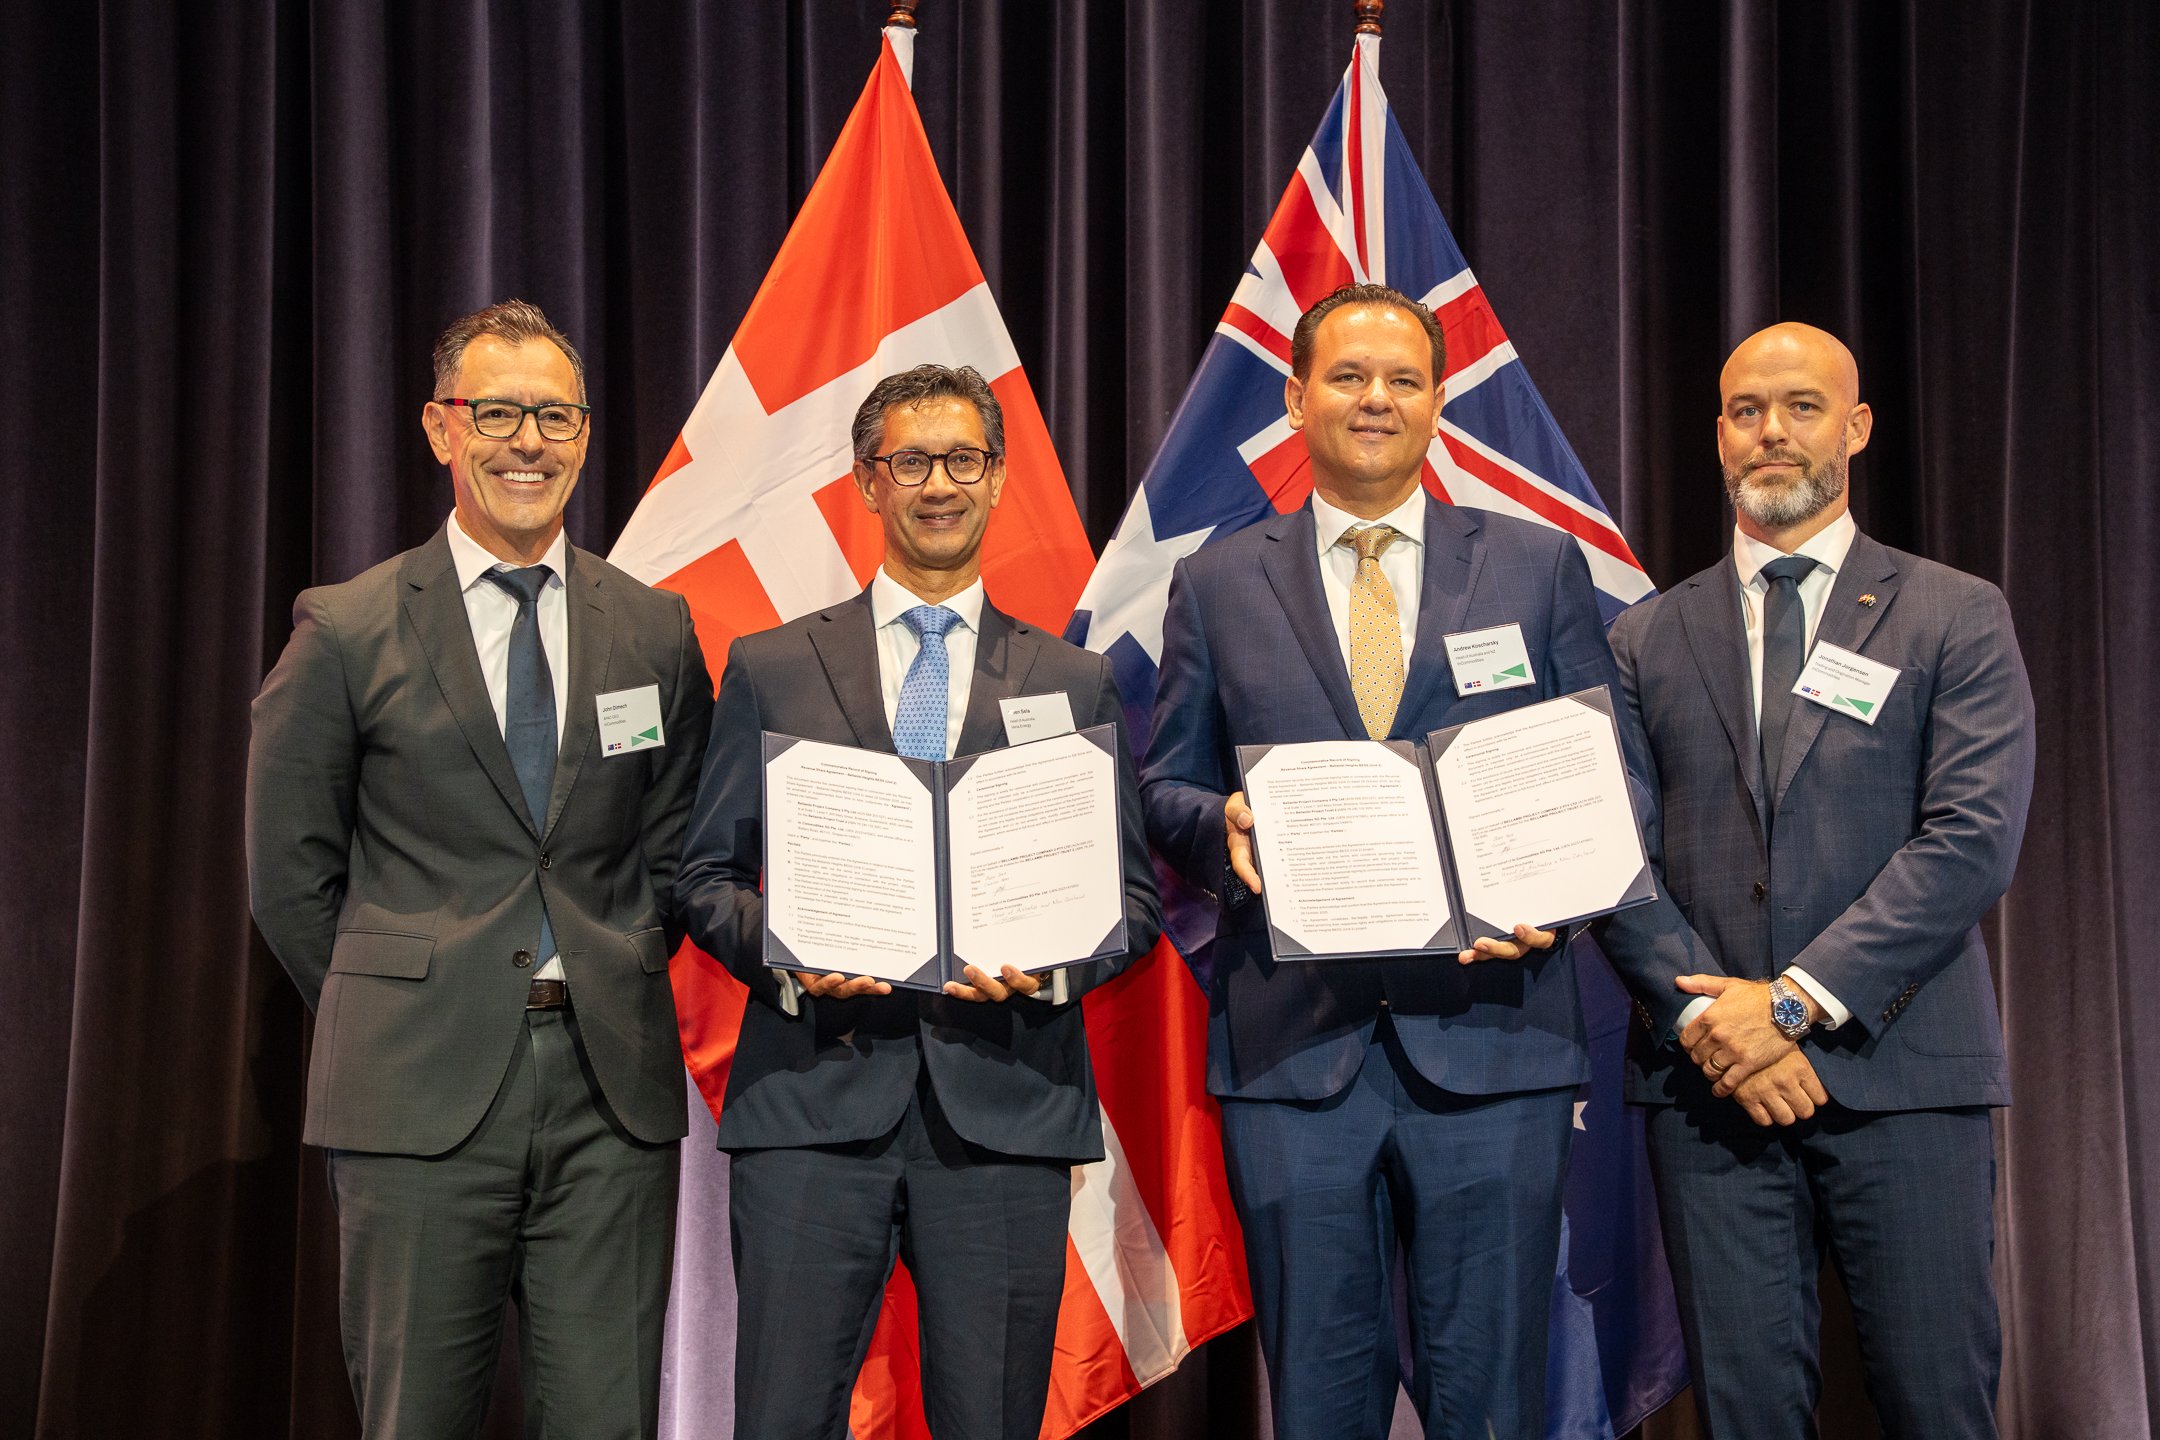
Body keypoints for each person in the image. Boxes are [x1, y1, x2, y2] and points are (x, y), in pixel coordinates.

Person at [1141, 283, 1642, 1438]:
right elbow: (1164, 787)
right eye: (1350, 376)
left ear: (1438, 402)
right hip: (1294, 1054)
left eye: (1404, 379)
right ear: (1295, 398)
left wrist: (1561, 902)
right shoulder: (1217, 583)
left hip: (1497, 1040)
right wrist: (1219, 827)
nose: (1377, 398)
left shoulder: (1536, 566)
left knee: (1492, 1399)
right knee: (1319, 1402)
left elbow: (1612, 778)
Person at [246, 299, 714, 1438]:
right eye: (497, 412)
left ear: (586, 436)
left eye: (555, 416)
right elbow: (287, 875)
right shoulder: (346, 627)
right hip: (414, 1093)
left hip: (611, 1101)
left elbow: (676, 844)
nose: (528, 443)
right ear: (440, 429)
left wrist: (602, 971)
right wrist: (400, 997)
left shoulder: (654, 629)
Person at [674, 363, 1161, 1440]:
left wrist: (1055, 967)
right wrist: (789, 956)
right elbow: (705, 877)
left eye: (963, 460)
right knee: (781, 1420)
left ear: (997, 478)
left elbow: (1130, 900)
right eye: (911, 462)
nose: (939, 484)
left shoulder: (1072, 681)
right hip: (810, 1109)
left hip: (1005, 1111)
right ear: (867, 481)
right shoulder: (773, 666)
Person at [1596, 322, 2035, 1438]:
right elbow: (1613, 858)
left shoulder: (1954, 611)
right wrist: (1718, 1027)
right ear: (1719, 435)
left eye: (1802, 406)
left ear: (1857, 426)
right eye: (1748, 410)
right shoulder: (1644, 636)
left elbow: (1971, 839)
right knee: (1746, 1418)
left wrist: (1789, 1005)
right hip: (1711, 1091)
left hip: (1905, 1072)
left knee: (1939, 1407)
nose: (1773, 432)